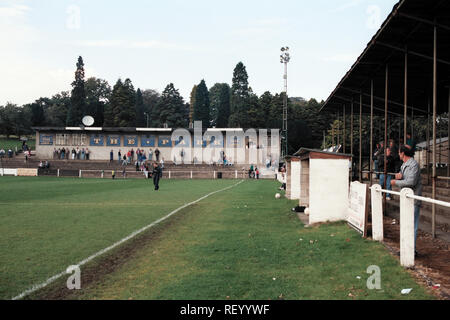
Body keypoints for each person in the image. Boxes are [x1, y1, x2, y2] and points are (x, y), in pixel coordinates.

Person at [391, 145, 423, 256]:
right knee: (406, 224)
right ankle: (406, 248)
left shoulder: (413, 165)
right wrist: (399, 176)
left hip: (413, 200)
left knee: (412, 225)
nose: (399, 155)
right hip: (406, 200)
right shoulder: (404, 165)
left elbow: (411, 182)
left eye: (399, 153)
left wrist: (396, 182)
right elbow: (404, 178)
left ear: (403, 153)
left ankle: (411, 250)